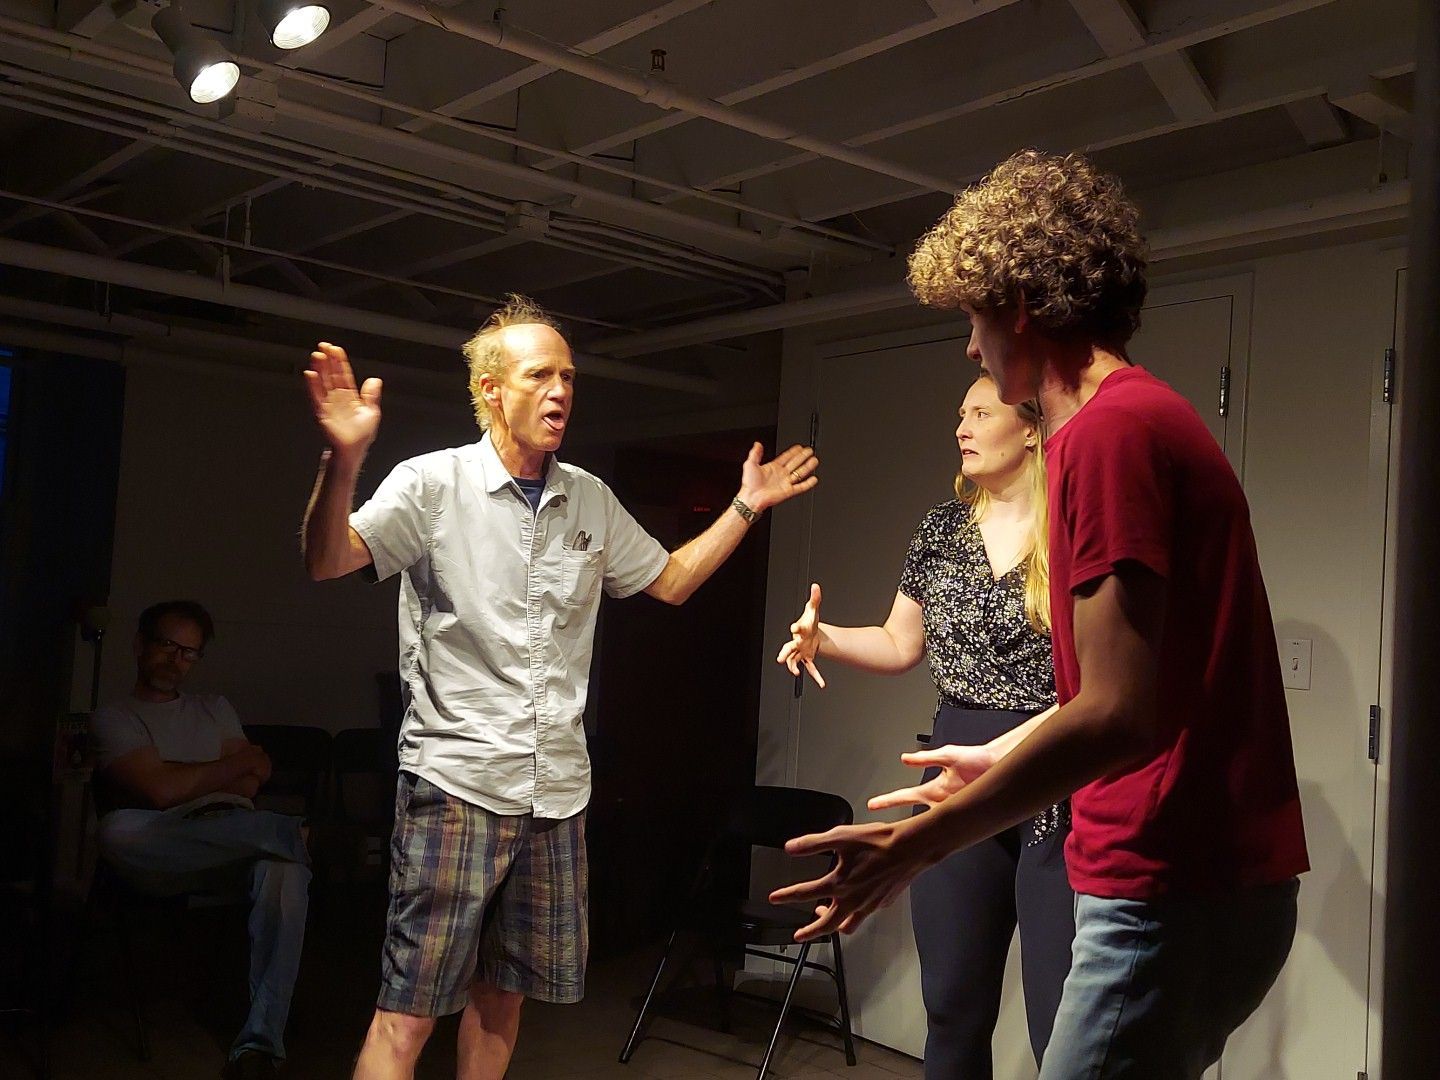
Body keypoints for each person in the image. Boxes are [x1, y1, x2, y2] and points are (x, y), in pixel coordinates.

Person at [771, 149, 1309, 1079]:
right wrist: (1000, 752)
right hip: (1199, 878)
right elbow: (1134, 686)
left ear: (1020, 305)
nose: (970, 348)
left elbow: (1117, 715)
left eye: (974, 319)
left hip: (1164, 876)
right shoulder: (1136, 422)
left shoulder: (1107, 432)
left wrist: (910, 848)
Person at [299, 295, 818, 1080]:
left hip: (556, 798)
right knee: (408, 1014)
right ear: (490, 390)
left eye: (568, 377)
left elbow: (671, 580)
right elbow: (327, 559)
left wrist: (748, 505)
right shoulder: (433, 484)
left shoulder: (589, 497)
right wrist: (343, 460)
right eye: (540, 375)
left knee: (503, 1001)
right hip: (457, 785)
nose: (560, 391)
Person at [776, 373, 1072, 1076]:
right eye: (960, 414)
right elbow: (899, 642)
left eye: (981, 413)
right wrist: (825, 639)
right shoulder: (942, 529)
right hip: (954, 776)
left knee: (1061, 1016)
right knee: (952, 1002)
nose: (962, 427)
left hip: (1053, 770)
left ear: (1032, 429)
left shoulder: (1072, 523)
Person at [89, 600, 311, 1080]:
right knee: (116, 830)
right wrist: (223, 769)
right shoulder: (114, 717)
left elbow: (253, 778)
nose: (176, 660)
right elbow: (160, 792)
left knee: (285, 873)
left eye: (189, 653)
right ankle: (295, 834)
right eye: (167, 645)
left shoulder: (214, 707)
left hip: (235, 838)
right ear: (140, 645)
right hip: (168, 843)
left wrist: (186, 774)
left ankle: (259, 1047)